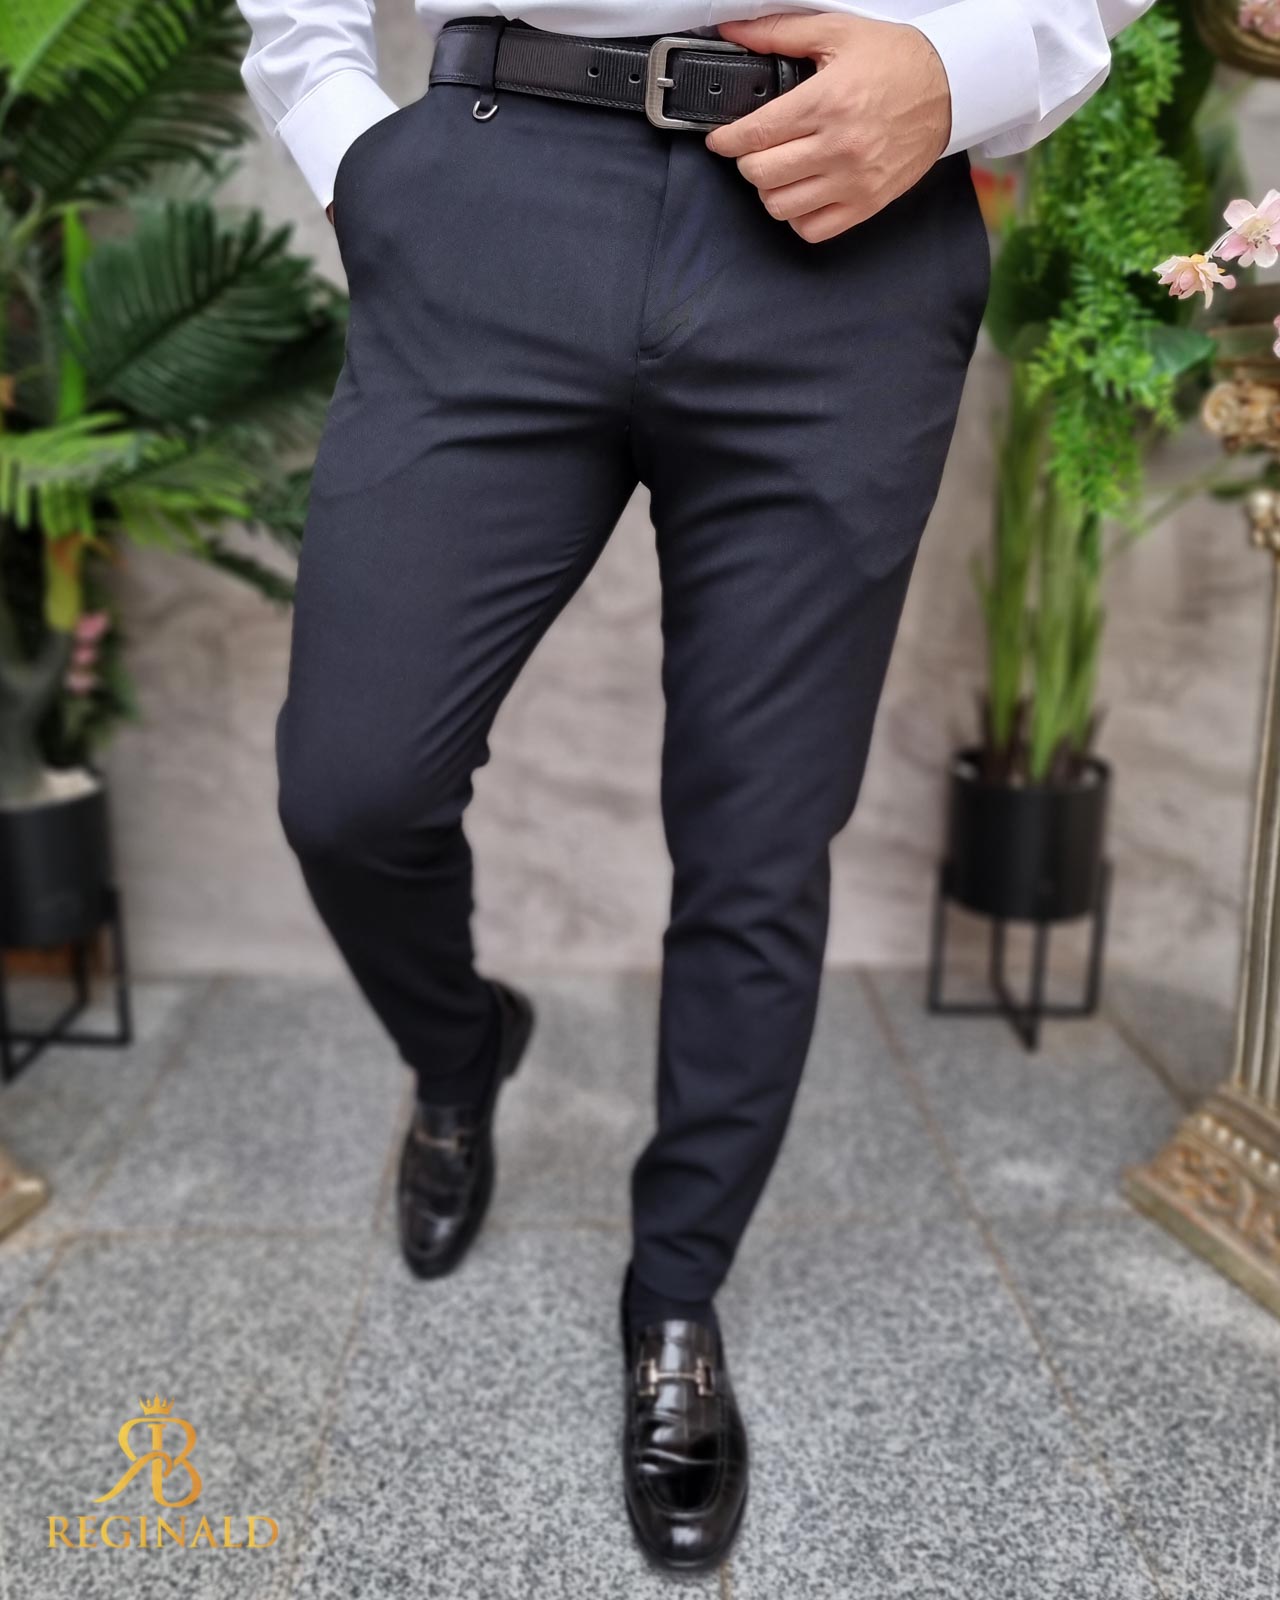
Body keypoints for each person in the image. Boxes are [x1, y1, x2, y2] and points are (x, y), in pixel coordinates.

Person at [236, 0, 1150, 1573]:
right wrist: (346, 141)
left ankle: (674, 1295)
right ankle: (461, 1049)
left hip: (844, 214)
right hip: (498, 179)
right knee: (352, 787)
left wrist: (962, 72)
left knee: (758, 838)